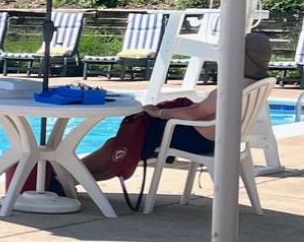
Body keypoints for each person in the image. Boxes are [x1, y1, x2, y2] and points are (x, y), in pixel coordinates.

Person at [79, 29, 272, 184]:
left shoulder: (233, 87)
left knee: (121, 143)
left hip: (197, 139)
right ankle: (71, 179)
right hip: (219, 140)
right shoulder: (256, 83)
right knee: (124, 146)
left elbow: (194, 113)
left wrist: (160, 112)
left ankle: (68, 177)